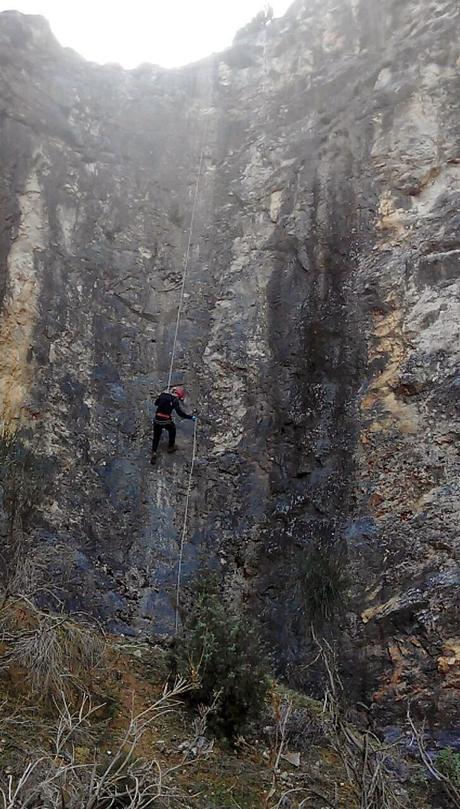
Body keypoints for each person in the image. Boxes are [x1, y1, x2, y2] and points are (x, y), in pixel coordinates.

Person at [151, 385, 196, 464]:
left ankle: (154, 451)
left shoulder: (163, 395)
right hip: (165, 420)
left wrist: (162, 398)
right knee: (172, 429)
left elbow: (156, 403)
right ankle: (171, 447)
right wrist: (190, 417)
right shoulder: (175, 400)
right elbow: (180, 413)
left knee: (156, 436)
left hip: (157, 419)